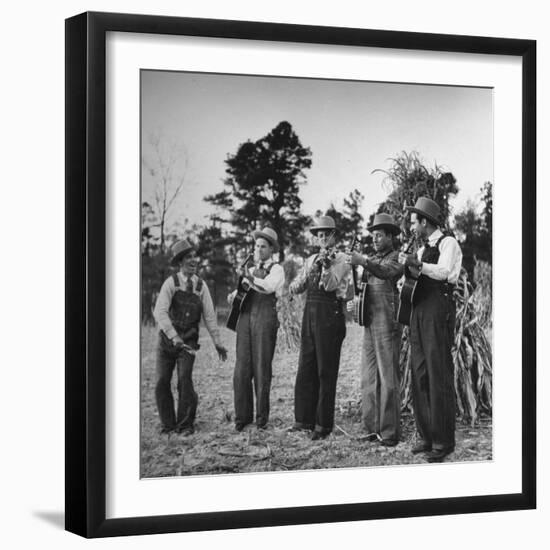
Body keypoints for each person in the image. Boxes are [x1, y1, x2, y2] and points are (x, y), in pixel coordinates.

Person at [398, 197, 462, 463]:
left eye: (414, 222)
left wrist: (418, 266)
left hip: (437, 311)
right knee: (420, 373)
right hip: (419, 312)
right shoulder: (422, 249)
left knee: (438, 374)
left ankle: (443, 441)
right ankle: (426, 436)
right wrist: (405, 277)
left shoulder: (449, 243)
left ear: (425, 221)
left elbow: (446, 272)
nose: (412, 227)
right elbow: (412, 279)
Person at [153, 239, 228, 436]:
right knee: (162, 381)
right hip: (166, 343)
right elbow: (160, 312)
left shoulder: (201, 287)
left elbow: (210, 317)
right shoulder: (171, 283)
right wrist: (173, 336)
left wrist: (218, 343)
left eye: (194, 257)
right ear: (180, 262)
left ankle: (185, 424)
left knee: (184, 380)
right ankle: (168, 424)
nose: (194, 261)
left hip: (189, 343)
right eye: (188, 258)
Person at [289, 215, 351, 440]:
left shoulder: (342, 258)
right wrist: (301, 277)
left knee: (326, 370)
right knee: (306, 366)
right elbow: (297, 286)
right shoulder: (310, 259)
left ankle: (323, 425)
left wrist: (325, 267)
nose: (323, 238)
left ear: (334, 236)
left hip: (330, 316)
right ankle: (303, 419)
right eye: (319, 235)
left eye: (327, 234)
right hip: (310, 316)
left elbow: (332, 284)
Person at [347, 213, 404, 446]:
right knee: (368, 376)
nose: (375, 239)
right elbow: (364, 289)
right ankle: (371, 428)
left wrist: (363, 262)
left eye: (379, 235)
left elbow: (387, 272)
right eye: (373, 236)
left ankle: (389, 432)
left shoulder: (397, 257)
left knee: (388, 376)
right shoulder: (371, 260)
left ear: (391, 236)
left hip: (388, 322)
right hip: (370, 321)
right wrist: (355, 303)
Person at [229, 227, 285, 431]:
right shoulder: (250, 270)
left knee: (262, 368)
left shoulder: (277, 270)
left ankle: (261, 419)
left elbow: (267, 287)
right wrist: (233, 295)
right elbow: (243, 291)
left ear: (271, 249)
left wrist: (249, 279)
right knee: (242, 369)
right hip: (245, 321)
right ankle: (242, 418)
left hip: (265, 320)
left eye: (263, 246)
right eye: (257, 246)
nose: (259, 250)